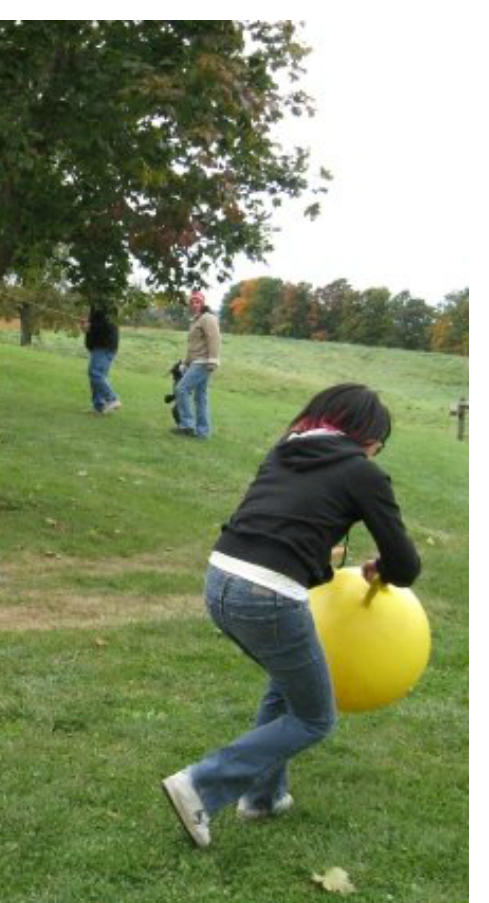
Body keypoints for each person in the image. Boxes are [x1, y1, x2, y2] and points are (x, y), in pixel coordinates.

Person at [161, 385, 419, 848]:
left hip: (219, 581)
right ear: (369, 437)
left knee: (286, 684)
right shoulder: (364, 474)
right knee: (316, 717)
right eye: (381, 443)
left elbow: (272, 532)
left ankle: (263, 798)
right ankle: (202, 784)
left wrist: (321, 560)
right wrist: (381, 568)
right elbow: (407, 567)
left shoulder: (286, 450)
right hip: (266, 596)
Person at [173, 290, 222, 439]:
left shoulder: (208, 318)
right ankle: (203, 432)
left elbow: (214, 339)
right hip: (195, 362)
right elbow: (193, 346)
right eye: (192, 302)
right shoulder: (195, 320)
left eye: (198, 301)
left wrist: (213, 359)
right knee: (200, 397)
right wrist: (185, 363)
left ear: (203, 303)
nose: (194, 304)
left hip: (203, 362)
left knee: (181, 389)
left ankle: (187, 425)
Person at [85, 302, 123, 414]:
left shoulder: (108, 303)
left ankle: (112, 399)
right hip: (98, 345)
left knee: (95, 373)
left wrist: (91, 326)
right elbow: (95, 324)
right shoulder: (96, 303)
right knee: (97, 376)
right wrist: (88, 326)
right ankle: (99, 406)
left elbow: (107, 325)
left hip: (105, 346)